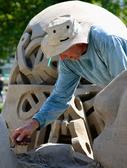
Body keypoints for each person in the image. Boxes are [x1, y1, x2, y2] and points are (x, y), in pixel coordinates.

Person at [12, 15, 127, 144]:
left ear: (78, 41)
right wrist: (32, 124)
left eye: (63, 49)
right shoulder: (68, 62)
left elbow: (123, 85)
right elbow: (60, 97)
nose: (61, 56)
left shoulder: (106, 41)